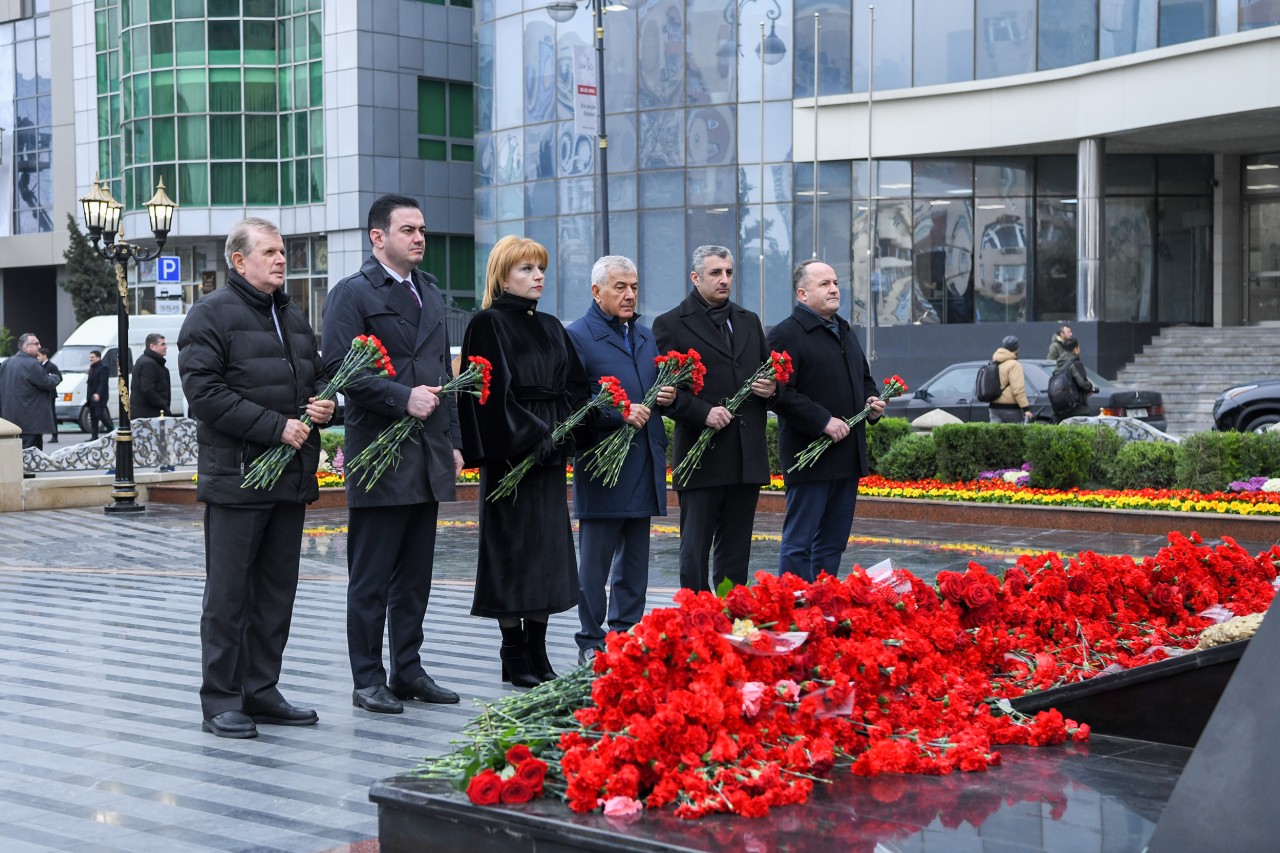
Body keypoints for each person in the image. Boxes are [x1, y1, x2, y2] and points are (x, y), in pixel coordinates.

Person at [178, 217, 334, 739]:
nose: (281, 260)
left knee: (274, 593)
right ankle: (221, 699)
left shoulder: (291, 317)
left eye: (283, 252)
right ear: (238, 261)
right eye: (269, 252)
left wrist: (325, 402)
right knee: (228, 596)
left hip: (287, 478)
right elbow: (204, 394)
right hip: (238, 479)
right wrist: (275, 427)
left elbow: (313, 374)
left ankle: (261, 690)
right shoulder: (209, 315)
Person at [322, 194, 463, 715]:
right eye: (408, 229)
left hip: (426, 452)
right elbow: (341, 368)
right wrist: (402, 398)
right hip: (380, 453)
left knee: (414, 576)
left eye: (422, 228)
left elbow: (443, 376)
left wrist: (452, 442)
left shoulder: (429, 290)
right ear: (377, 237)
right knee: (372, 576)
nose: (420, 237)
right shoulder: (352, 294)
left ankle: (408, 669)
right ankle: (367, 679)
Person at [457, 236, 589, 687]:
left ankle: (538, 647)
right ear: (502, 275)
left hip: (550, 450)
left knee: (546, 553)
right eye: (526, 269)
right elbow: (486, 394)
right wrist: (533, 434)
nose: (538, 277)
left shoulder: (553, 325)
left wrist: (566, 427)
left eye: (540, 268)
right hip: (513, 453)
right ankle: (513, 649)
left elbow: (576, 385)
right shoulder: (486, 323)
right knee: (512, 552)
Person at [567, 255, 674, 666]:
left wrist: (668, 395)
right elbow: (574, 402)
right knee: (594, 562)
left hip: (643, 458)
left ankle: (625, 633)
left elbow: (653, 386)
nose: (629, 294)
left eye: (633, 287)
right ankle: (590, 640)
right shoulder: (578, 336)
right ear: (597, 291)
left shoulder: (646, 337)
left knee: (634, 561)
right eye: (619, 287)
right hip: (603, 464)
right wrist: (617, 411)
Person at [652, 245, 775, 593]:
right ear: (695, 277)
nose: (724, 280)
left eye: (729, 273)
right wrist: (703, 412)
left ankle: (730, 619)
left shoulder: (749, 320)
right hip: (701, 457)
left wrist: (771, 386)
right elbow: (664, 394)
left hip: (745, 456)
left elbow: (767, 374)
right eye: (715, 273)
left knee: (736, 553)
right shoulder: (670, 324)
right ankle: (695, 620)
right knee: (694, 550)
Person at [767, 260, 885, 582]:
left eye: (835, 282)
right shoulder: (785, 334)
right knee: (799, 544)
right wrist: (822, 421)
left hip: (847, 456)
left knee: (832, 545)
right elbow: (779, 394)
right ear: (802, 293)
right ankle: (792, 606)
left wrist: (872, 402)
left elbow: (864, 379)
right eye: (824, 284)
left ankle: (822, 608)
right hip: (810, 457)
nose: (834, 289)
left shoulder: (843, 329)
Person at [0, 333, 60, 450]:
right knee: (32, 457)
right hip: (31, 420)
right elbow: (46, 383)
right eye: (36, 344)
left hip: (11, 419)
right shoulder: (32, 364)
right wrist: (55, 377)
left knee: (15, 456)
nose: (39, 346)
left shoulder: (7, 362)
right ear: (26, 347)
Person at [989, 335, 1035, 424]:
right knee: (1015, 435)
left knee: (997, 436)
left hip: (993, 407)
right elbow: (1018, 390)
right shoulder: (1014, 365)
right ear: (1017, 349)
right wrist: (1026, 409)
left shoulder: (994, 362)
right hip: (1010, 408)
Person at [1051, 337, 1097, 422]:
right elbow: (1083, 384)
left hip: (1062, 408)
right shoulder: (1075, 363)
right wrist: (1091, 387)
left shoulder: (1059, 364)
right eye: (1078, 348)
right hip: (1077, 408)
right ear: (1075, 350)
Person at [132, 334, 171, 419]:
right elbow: (147, 390)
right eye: (163, 344)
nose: (166, 347)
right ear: (152, 346)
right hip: (149, 415)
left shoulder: (151, 362)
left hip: (150, 414)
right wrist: (163, 406)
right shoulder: (148, 363)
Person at [86, 350, 114, 440]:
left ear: (98, 358)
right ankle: (94, 436)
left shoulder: (103, 368)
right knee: (93, 416)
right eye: (90, 357)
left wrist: (98, 394)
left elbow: (103, 383)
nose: (91, 359)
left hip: (100, 396)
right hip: (91, 396)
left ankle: (111, 429)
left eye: (92, 357)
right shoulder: (92, 368)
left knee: (99, 414)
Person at [38, 348, 61, 443]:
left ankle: (55, 435)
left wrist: (50, 381)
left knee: (52, 415)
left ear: (44, 356)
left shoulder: (51, 366)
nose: (38, 357)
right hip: (41, 395)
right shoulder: (38, 366)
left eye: (39, 355)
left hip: (50, 395)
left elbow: (59, 377)